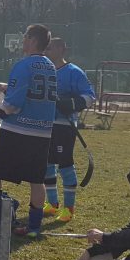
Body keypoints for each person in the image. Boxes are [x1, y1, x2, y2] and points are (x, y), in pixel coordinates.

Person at [0, 24, 57, 238]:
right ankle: (34, 228)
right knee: (37, 180)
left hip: (18, 131)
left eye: (25, 37)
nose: (23, 40)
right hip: (42, 132)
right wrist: (8, 88)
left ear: (33, 40)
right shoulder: (50, 67)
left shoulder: (23, 65)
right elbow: (34, 91)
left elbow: (13, 104)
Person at [42, 38, 96, 223]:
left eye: (49, 48)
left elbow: (89, 96)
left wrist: (70, 103)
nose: (45, 51)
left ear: (60, 49)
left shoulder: (74, 72)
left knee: (65, 164)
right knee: (47, 164)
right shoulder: (44, 70)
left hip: (64, 126)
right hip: (45, 125)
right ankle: (52, 203)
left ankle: (69, 208)